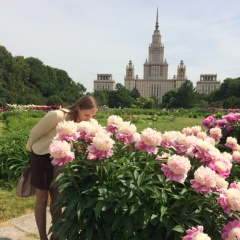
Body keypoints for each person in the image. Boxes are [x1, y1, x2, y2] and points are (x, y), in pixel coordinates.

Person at [26, 95, 98, 240]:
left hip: (59, 159)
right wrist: (31, 149)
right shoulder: (57, 115)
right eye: (86, 115)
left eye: (92, 116)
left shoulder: (79, 121)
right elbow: (35, 132)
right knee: (42, 197)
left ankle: (56, 233)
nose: (88, 119)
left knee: (56, 196)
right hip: (42, 157)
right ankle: (42, 237)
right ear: (78, 108)